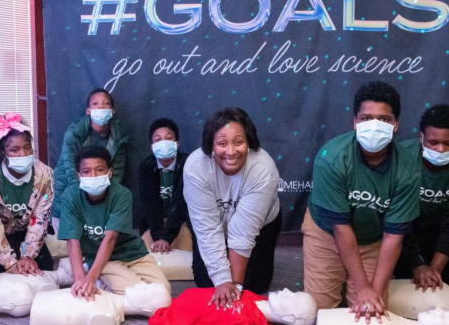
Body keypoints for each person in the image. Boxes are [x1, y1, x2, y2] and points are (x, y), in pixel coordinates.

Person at [303, 81, 421, 323]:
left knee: (372, 312)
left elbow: (394, 236)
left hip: (374, 238)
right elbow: (340, 228)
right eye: (366, 118)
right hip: (327, 232)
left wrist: (373, 292)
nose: (374, 125)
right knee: (317, 313)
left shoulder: (408, 169)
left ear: (396, 124)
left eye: (384, 119)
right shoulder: (331, 158)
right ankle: (342, 279)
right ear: (354, 122)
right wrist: (362, 287)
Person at [183, 108, 282, 309]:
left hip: (260, 226)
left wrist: (234, 285)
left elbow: (243, 231)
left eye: (238, 142)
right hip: (213, 222)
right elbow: (208, 228)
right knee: (207, 283)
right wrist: (222, 280)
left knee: (254, 285)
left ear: (249, 143)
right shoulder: (195, 167)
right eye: (222, 143)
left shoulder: (263, 168)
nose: (230, 151)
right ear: (211, 146)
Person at [56, 146, 169, 301]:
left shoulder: (122, 194)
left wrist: (88, 279)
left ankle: (94, 277)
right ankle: (92, 276)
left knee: (163, 291)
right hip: (101, 259)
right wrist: (81, 280)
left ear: (110, 172)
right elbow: (72, 241)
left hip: (133, 254)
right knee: (135, 290)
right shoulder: (71, 196)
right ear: (79, 175)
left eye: (99, 169)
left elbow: (110, 238)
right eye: (86, 171)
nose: (93, 175)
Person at [395, 104, 449, 290]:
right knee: (401, 279)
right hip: (401, 228)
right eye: (433, 142)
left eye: (448, 143)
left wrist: (433, 271)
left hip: (438, 229)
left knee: (444, 281)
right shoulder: (401, 158)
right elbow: (397, 218)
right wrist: (417, 265)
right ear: (421, 137)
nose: (441, 149)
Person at [0, 112, 54, 276]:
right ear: (1, 152)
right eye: (14, 150)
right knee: (1, 274)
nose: (23, 154)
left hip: (25, 232)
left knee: (43, 268)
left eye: (27, 147)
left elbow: (39, 219)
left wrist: (28, 256)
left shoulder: (44, 175)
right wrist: (10, 263)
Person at [52, 88, 127, 217]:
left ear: (112, 111)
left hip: (102, 191)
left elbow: (117, 171)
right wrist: (80, 204)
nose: (101, 106)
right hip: (70, 187)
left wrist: (108, 200)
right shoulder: (74, 134)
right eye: (95, 104)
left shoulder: (119, 136)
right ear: (88, 111)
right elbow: (71, 171)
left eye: (106, 104)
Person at [138, 117, 192, 254]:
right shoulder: (146, 166)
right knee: (147, 258)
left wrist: (167, 237)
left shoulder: (189, 163)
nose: (163, 143)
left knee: (185, 259)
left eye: (169, 138)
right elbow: (150, 205)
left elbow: (181, 203)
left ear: (177, 144)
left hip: (182, 222)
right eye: (158, 140)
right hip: (154, 225)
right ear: (152, 146)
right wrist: (159, 238)